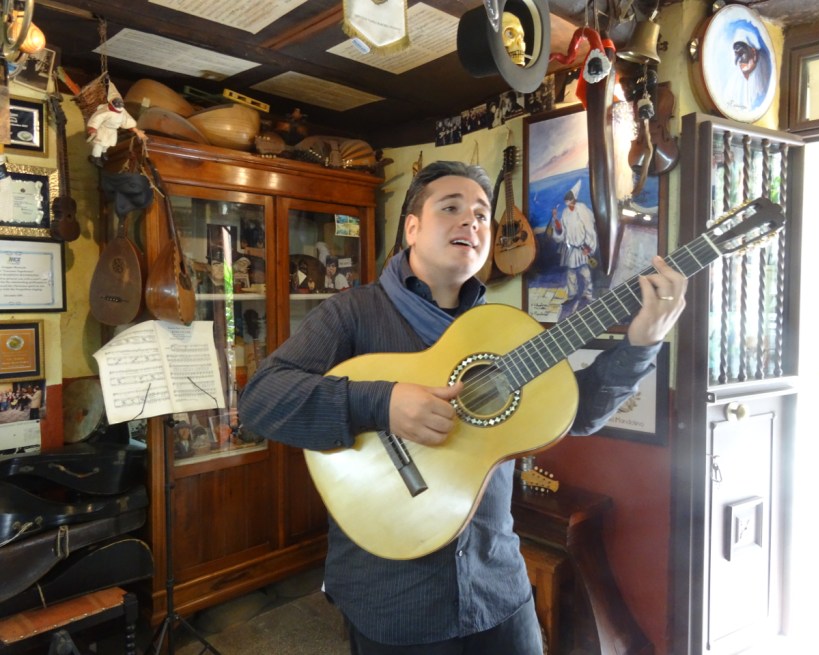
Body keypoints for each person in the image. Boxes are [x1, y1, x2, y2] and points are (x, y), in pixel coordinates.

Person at [238, 161, 687, 654]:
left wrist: (642, 343)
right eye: (450, 208)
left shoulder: (500, 329)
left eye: (480, 214)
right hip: (394, 603)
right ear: (412, 227)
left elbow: (578, 413)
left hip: (498, 590)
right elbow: (261, 400)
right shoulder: (351, 313)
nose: (470, 222)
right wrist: (381, 402)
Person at [551, 184, 599, 313]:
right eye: (566, 201)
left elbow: (590, 230)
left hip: (583, 247)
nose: (568, 204)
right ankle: (572, 295)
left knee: (585, 271)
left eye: (570, 201)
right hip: (571, 248)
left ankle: (587, 294)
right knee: (571, 272)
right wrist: (555, 219)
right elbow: (562, 231)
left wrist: (589, 247)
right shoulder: (565, 213)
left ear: (574, 199)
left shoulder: (582, 210)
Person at [86, 97, 147, 167]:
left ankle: (103, 153)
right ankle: (95, 157)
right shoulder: (106, 111)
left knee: (107, 144)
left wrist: (135, 130)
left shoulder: (122, 111)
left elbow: (126, 120)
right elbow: (97, 118)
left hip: (112, 131)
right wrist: (93, 128)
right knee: (99, 144)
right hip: (103, 129)